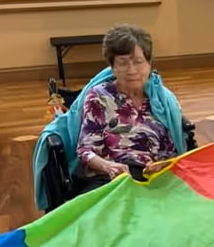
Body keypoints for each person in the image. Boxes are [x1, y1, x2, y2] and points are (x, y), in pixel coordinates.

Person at [75, 25, 178, 192]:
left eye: (138, 62)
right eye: (123, 63)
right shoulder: (98, 97)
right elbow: (86, 150)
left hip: (154, 178)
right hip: (110, 178)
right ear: (113, 67)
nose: (132, 71)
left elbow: (171, 150)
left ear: (149, 64)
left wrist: (161, 164)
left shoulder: (162, 100)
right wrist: (108, 166)